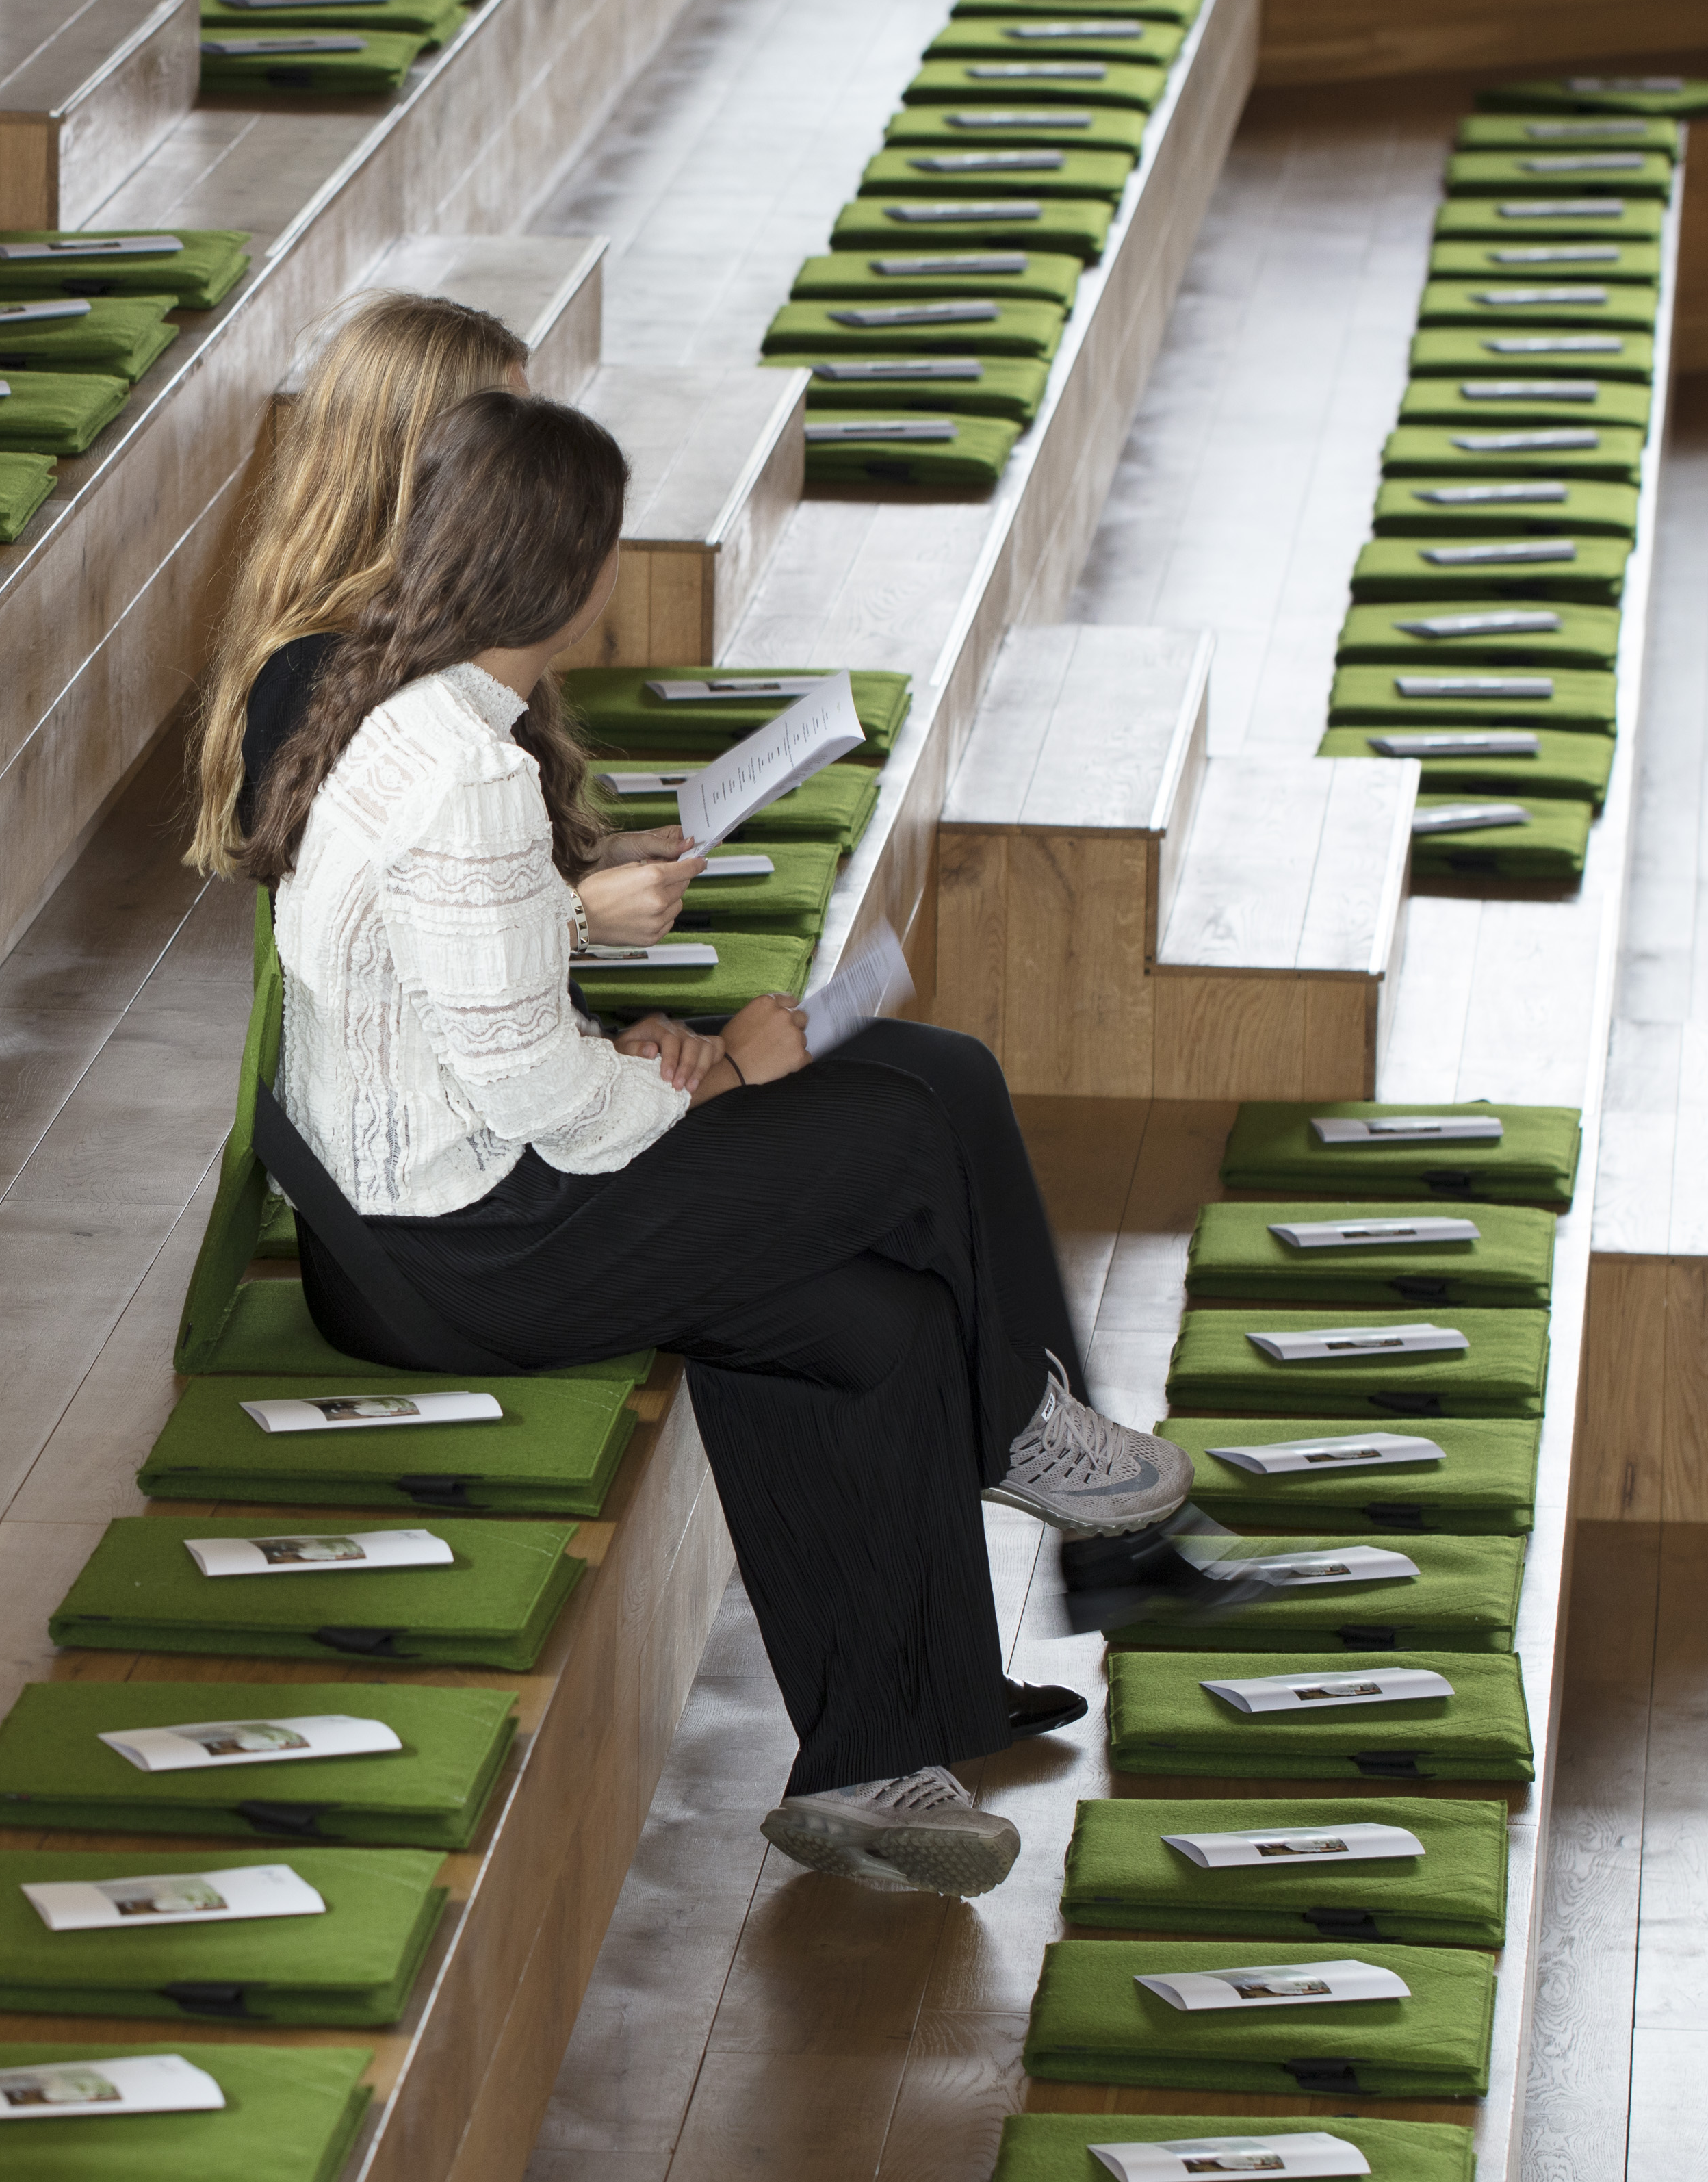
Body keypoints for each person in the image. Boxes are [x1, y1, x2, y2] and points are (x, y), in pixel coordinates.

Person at [242, 387, 1188, 1897]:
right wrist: (722, 1080)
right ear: (564, 572)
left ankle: (877, 1762)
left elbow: (458, 993)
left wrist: (622, 1049)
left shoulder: (395, 703)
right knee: (900, 1117)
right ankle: (1011, 1420)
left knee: (873, 1315)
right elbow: (530, 1104)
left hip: (436, 1203)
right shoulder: (470, 772)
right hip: (463, 1248)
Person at [185, 290, 700, 951]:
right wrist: (572, 917)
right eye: (509, 428)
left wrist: (588, 859)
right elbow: (377, 935)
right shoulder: (308, 674)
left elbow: (460, 866)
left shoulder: (456, 628)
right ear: (433, 461)